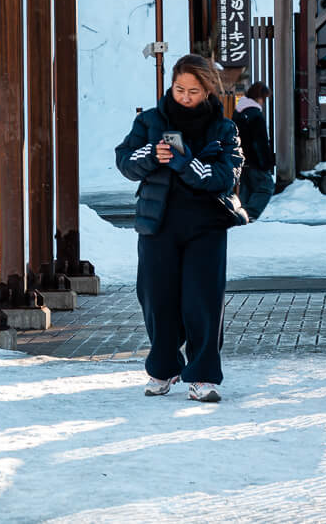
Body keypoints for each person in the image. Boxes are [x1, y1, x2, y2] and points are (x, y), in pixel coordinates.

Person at [115, 54, 248, 403]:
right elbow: (125, 162)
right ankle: (163, 368)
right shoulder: (149, 121)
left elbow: (226, 177)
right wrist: (150, 156)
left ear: (207, 91)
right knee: (156, 299)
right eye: (179, 89)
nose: (185, 97)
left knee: (202, 302)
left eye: (193, 91)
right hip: (158, 225)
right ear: (171, 86)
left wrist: (187, 164)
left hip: (206, 227)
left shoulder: (224, 129)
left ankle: (202, 376)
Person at [233, 81, 276, 220]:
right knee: (266, 187)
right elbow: (260, 142)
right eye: (264, 98)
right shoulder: (255, 115)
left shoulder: (239, 112)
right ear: (259, 97)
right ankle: (249, 215)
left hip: (242, 158)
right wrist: (266, 163)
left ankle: (241, 216)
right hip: (255, 160)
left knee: (247, 189)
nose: (264, 102)